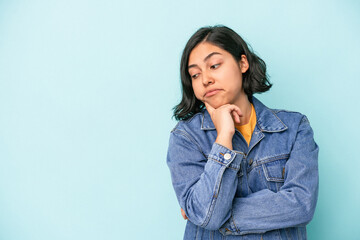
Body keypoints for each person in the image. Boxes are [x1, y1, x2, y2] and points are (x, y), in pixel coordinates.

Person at [166, 25, 319, 240]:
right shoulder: (186, 138)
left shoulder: (294, 128)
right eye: (195, 74)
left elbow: (302, 205)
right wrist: (223, 138)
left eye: (215, 65)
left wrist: (215, 215)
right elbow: (204, 215)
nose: (205, 80)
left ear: (243, 63)